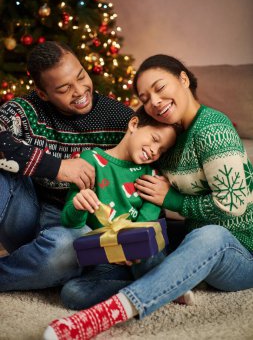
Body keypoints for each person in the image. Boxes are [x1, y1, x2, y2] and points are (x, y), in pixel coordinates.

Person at [43, 54, 253, 340]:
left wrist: (173, 201)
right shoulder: (173, 136)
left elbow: (233, 204)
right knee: (146, 239)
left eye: (160, 87)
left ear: (183, 79)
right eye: (145, 96)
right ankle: (170, 284)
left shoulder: (213, 129)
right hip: (194, 230)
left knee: (209, 235)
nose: (154, 100)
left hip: (241, 250)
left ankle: (116, 310)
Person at [0, 40, 133, 291]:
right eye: (64, 88)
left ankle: (24, 271)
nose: (80, 91)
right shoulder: (26, 111)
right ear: (43, 94)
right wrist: (57, 167)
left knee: (70, 246)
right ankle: (36, 269)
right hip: (26, 216)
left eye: (81, 76)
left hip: (72, 228)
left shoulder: (119, 119)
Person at [58, 105, 193, 310]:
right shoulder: (90, 161)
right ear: (134, 124)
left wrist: (130, 245)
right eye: (155, 140)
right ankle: (159, 287)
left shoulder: (152, 177)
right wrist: (79, 205)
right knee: (72, 294)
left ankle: (158, 283)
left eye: (162, 150)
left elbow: (146, 220)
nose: (154, 151)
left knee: (152, 246)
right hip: (107, 259)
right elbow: (69, 221)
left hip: (142, 251)